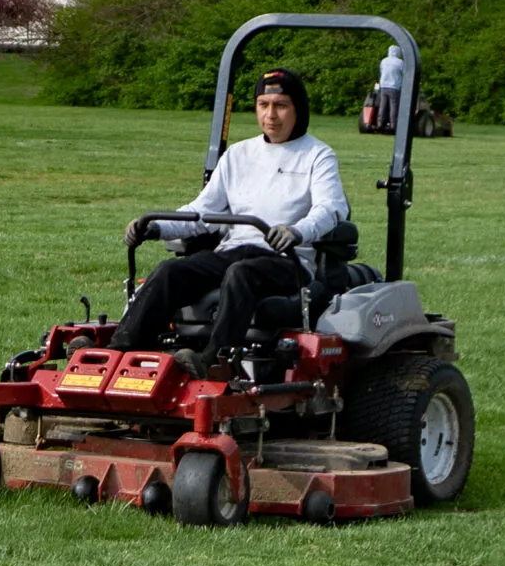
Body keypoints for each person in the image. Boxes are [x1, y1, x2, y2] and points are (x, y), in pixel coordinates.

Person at [111, 67, 348, 363]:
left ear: (298, 109)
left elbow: (330, 209)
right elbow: (201, 211)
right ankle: (121, 352)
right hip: (234, 250)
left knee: (241, 274)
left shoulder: (317, 155)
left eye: (281, 106)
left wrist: (296, 232)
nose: (271, 115)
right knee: (170, 271)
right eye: (263, 105)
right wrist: (155, 227)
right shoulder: (238, 154)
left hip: (287, 260)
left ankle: (214, 360)